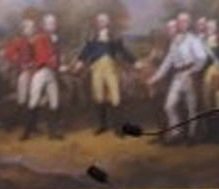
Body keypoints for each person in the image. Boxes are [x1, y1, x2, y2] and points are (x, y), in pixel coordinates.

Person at [147, 12, 209, 144]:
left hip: (191, 77)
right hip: (178, 77)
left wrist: (192, 71)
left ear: (189, 23)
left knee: (191, 108)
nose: (182, 24)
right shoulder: (175, 41)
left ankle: (192, 136)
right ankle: (177, 132)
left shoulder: (193, 40)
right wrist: (154, 78)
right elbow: (167, 63)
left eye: (185, 21)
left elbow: (202, 58)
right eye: (180, 22)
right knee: (169, 106)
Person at [75, 12, 134, 135]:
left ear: (108, 22)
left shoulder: (114, 37)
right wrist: (79, 63)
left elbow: (123, 50)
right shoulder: (92, 37)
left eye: (104, 20)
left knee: (115, 96)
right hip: (96, 68)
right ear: (97, 23)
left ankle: (118, 128)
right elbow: (85, 51)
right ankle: (102, 125)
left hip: (110, 68)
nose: (102, 22)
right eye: (100, 20)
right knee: (98, 96)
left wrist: (134, 61)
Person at [23, 13, 63, 140]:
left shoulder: (55, 38)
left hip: (51, 73)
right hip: (40, 72)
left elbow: (57, 56)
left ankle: (53, 133)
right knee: (34, 101)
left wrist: (60, 64)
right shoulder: (40, 38)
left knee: (54, 102)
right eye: (50, 23)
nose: (53, 25)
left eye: (54, 23)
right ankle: (27, 132)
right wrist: (57, 66)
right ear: (44, 25)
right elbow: (43, 57)